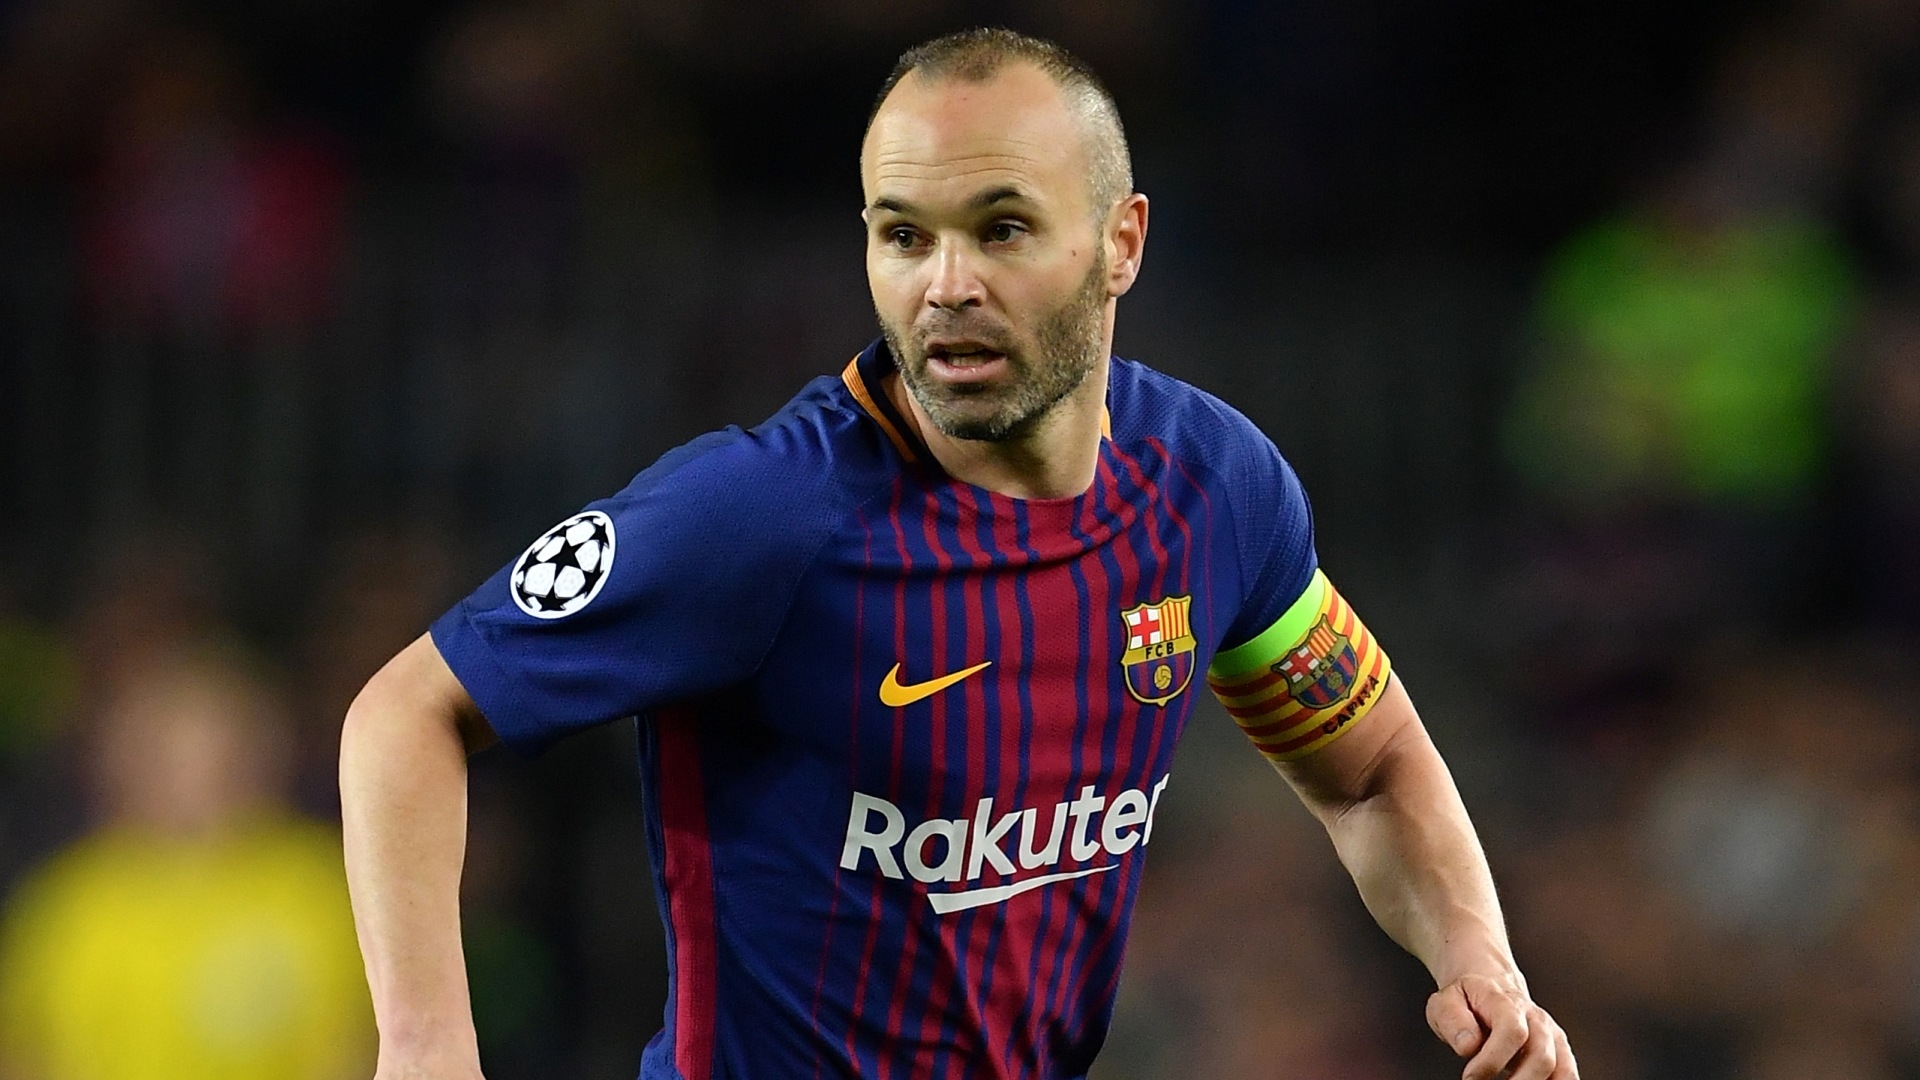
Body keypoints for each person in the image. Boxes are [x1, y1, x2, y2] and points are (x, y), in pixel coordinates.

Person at [341, 27, 1577, 1080]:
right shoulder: (762, 514)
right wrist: (427, 1045)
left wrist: (1478, 958)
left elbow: (1370, 771)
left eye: (1001, 229)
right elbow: (407, 713)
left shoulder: (1214, 488)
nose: (946, 285)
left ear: (1122, 243)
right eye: (904, 235)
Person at [1, 639, 374, 1080]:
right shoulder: (66, 902)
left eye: (213, 751)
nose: (190, 777)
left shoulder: (328, 887)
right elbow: (23, 1050)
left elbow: (364, 1047)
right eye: (166, 752)